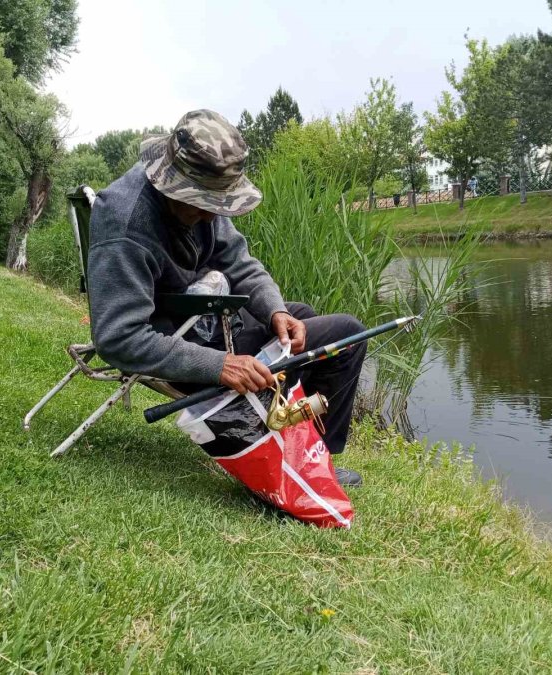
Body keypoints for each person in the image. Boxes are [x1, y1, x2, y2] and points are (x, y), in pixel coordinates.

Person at [87, 110, 367, 486]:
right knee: (347, 335)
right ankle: (308, 463)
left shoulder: (199, 197)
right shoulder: (127, 225)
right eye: (203, 203)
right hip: (175, 339)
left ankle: (299, 447)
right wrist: (221, 365)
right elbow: (117, 338)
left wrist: (275, 311)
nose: (211, 216)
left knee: (297, 319)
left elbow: (239, 262)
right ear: (172, 184)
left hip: (195, 315)